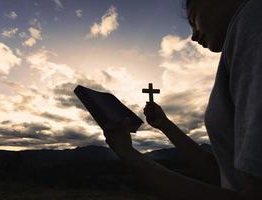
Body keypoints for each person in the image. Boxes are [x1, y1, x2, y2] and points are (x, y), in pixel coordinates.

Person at [102, 0, 262, 199]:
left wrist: (129, 155)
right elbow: (225, 177)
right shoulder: (238, 43)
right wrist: (165, 125)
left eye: (193, 21)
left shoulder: (253, 19)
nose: (193, 36)